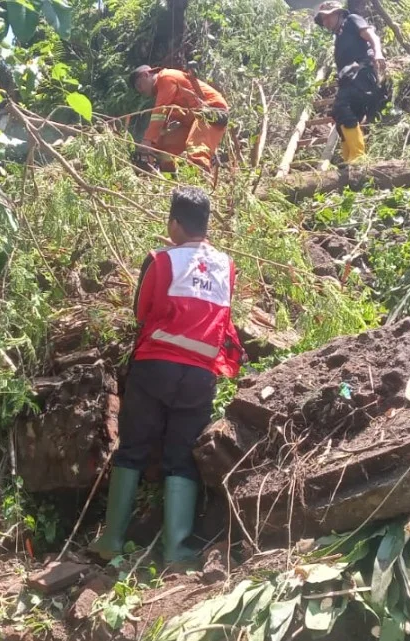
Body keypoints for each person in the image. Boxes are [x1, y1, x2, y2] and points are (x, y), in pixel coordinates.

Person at [89, 187, 244, 564]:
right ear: (206, 224)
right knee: (181, 455)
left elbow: (141, 312)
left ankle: (112, 540)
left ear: (175, 223)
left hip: (154, 366)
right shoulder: (227, 265)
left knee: (133, 448)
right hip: (199, 376)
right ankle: (176, 549)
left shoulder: (160, 260)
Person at [314, 1, 385, 164]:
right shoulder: (339, 36)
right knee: (340, 119)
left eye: (327, 17)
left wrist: (378, 53)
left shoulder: (352, 20)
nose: (325, 22)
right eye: (322, 20)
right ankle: (349, 158)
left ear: (338, 13)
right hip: (349, 80)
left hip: (362, 74)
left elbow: (372, 36)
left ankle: (358, 157)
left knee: (342, 107)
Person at [128, 65, 229, 173]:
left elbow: (160, 111)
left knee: (196, 149)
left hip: (211, 111)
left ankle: (203, 181)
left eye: (140, 86)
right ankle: (170, 178)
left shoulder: (165, 77)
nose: (141, 91)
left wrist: (147, 141)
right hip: (191, 122)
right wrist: (152, 144)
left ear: (146, 74)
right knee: (162, 148)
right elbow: (164, 118)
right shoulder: (162, 90)